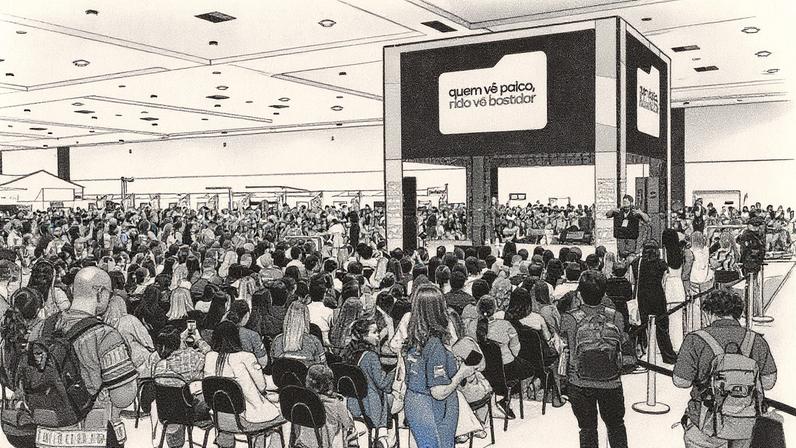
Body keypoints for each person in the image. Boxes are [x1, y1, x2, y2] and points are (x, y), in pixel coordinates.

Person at [26, 267, 139, 448]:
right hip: (92, 435)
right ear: (100, 292)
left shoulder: (41, 328)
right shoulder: (105, 335)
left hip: (46, 434)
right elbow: (122, 398)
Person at [673, 288, 777, 448]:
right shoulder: (755, 340)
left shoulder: (695, 339)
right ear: (738, 314)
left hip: (705, 424)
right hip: (746, 424)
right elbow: (769, 382)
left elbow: (681, 381)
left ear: (709, 312)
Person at [560, 270, 628, 448]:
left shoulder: (569, 318)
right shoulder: (616, 316)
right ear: (604, 293)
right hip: (611, 381)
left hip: (580, 382)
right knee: (616, 426)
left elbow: (564, 343)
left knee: (587, 429)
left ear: (580, 293)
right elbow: (622, 342)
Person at [402, 283, 476, 448]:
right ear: (437, 310)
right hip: (435, 407)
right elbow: (439, 392)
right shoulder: (435, 344)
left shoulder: (414, 337)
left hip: (414, 401)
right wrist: (462, 372)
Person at [204, 321, 282, 448]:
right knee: (278, 410)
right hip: (246, 419)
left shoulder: (209, 357)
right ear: (236, 337)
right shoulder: (247, 357)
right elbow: (262, 386)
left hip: (219, 417)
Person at [341, 318, 396, 447]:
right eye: (375, 332)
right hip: (370, 406)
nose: (378, 335)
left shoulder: (348, 354)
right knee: (392, 397)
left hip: (351, 403)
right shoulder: (371, 356)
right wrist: (395, 371)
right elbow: (382, 384)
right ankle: (384, 436)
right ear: (364, 335)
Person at [632, 240, 678, 364]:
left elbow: (634, 279)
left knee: (641, 325)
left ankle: (639, 351)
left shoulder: (637, 262)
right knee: (662, 326)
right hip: (657, 296)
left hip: (642, 296)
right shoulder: (661, 264)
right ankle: (668, 355)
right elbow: (665, 278)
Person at [297, 364, 355, 448]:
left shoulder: (304, 400)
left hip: (303, 443)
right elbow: (349, 425)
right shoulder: (335, 404)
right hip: (325, 444)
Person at [271, 301, 326, 366]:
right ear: (306, 318)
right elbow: (323, 367)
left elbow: (273, 366)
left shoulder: (277, 340)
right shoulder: (314, 341)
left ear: (287, 317)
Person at [662, 228, 688, 351]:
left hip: (667, 287)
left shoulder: (663, 253)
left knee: (666, 319)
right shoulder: (680, 252)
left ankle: (668, 345)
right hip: (679, 286)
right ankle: (678, 344)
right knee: (677, 319)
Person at [606, 195, 649, 260]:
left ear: (631, 203)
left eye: (626, 202)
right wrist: (612, 210)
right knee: (621, 255)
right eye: (623, 202)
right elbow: (608, 215)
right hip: (621, 237)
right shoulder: (619, 211)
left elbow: (647, 219)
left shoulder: (635, 212)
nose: (625, 205)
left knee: (631, 255)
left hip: (631, 237)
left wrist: (641, 213)